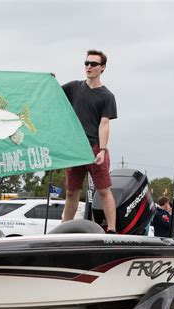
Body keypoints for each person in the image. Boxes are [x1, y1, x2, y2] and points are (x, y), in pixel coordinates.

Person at [61, 50, 118, 233]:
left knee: (103, 191)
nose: (88, 67)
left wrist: (102, 150)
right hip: (75, 150)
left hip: (94, 149)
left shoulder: (107, 96)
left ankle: (111, 230)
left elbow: (104, 123)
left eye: (93, 64)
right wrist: (50, 80)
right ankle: (64, 230)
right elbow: (53, 94)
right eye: (86, 63)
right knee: (71, 192)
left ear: (102, 68)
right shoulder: (74, 87)